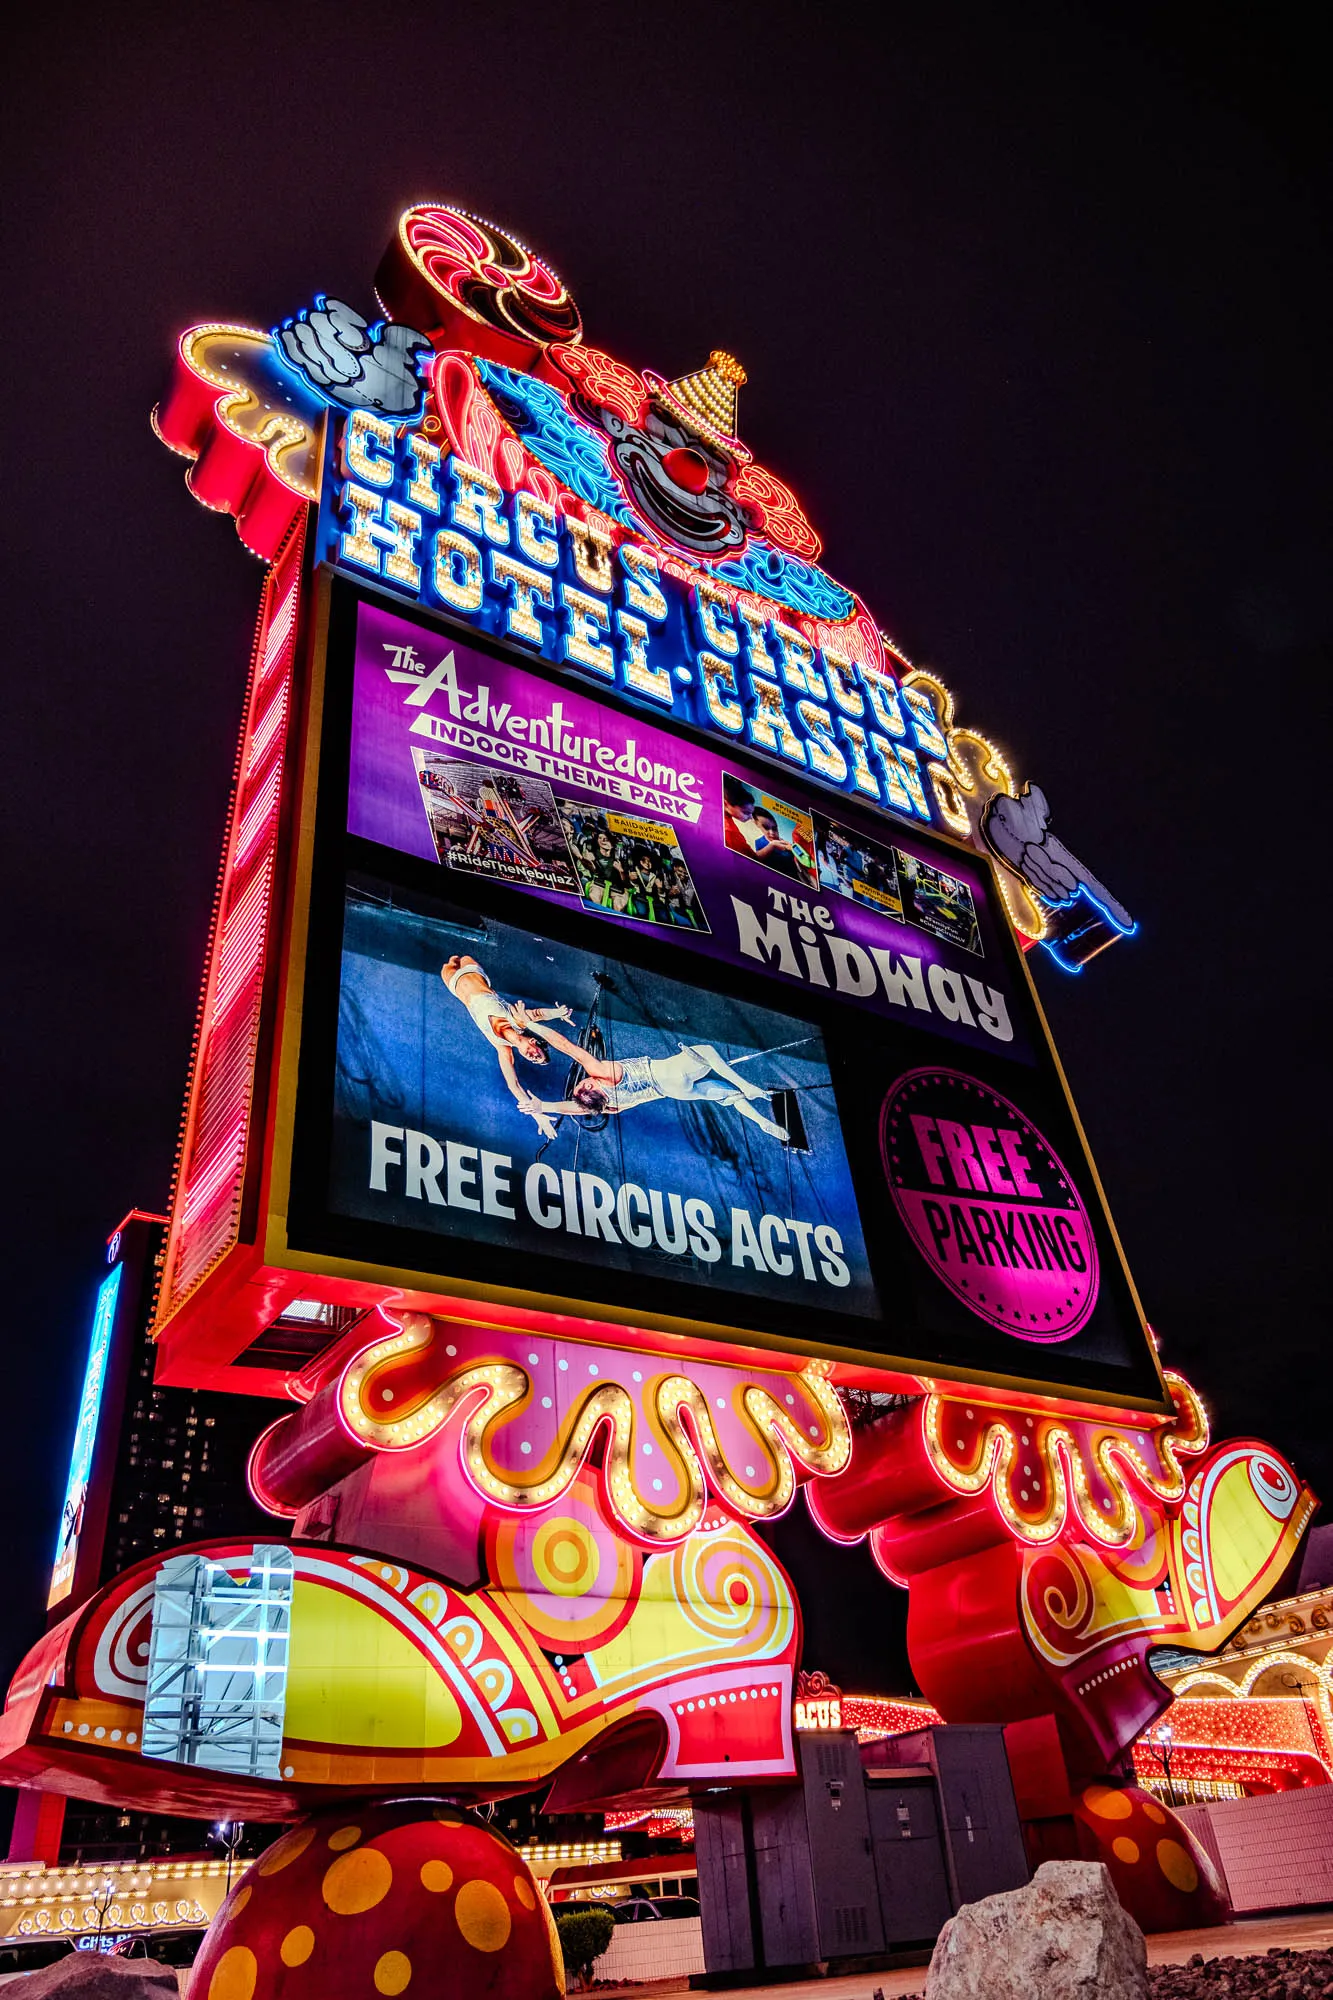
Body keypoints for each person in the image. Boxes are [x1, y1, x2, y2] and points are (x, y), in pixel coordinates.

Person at [513, 1010, 789, 1140]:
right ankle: (748, 1086)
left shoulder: (611, 1107)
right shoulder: (601, 1073)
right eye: (581, 1083)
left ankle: (760, 1120)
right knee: (706, 1051)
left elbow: (577, 1108)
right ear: (589, 1083)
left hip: (674, 1092)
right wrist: (531, 1025)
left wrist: (545, 1106)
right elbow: (567, 1047)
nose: (581, 1079)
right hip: (669, 1073)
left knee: (726, 1096)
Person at [440, 955, 573, 1132]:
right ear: (534, 1041)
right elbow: (537, 1014)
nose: (533, 1057)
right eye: (538, 1055)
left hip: (455, 985)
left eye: (534, 1061)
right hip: (473, 972)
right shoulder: (517, 1021)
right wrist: (558, 1012)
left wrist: (537, 1115)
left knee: (447, 964)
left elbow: (514, 1085)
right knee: (460, 957)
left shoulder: (502, 1048)